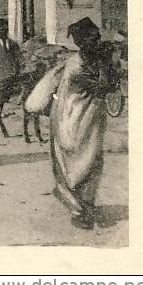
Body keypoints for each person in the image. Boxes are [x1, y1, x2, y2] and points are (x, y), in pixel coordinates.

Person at [50, 17, 121, 229]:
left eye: (97, 37)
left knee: (93, 160)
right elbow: (102, 86)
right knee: (76, 160)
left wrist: (109, 65)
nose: (97, 41)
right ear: (82, 42)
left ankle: (87, 205)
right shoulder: (75, 65)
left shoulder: (96, 59)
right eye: (92, 39)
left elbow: (109, 85)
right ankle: (78, 208)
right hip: (71, 118)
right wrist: (107, 67)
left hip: (92, 118)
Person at [0, 18, 22, 138]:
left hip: (11, 77)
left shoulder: (13, 44)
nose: (3, 32)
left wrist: (18, 70)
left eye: (5, 30)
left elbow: (19, 59)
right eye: (0, 30)